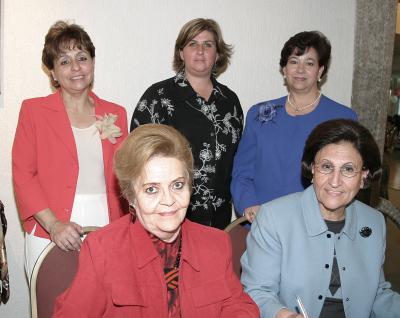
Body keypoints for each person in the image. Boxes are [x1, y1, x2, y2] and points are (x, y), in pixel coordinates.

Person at [53, 124, 259, 317]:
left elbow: (239, 306)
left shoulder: (215, 243)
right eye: (151, 189)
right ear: (131, 196)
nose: (168, 201)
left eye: (177, 185)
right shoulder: (103, 250)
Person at [241, 119, 400, 318]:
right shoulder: (273, 218)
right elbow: (257, 292)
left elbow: (376, 294)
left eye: (348, 169)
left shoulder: (374, 222)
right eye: (326, 167)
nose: (335, 181)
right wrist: (285, 315)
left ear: (364, 177)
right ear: (313, 169)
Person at [12, 21, 128, 278]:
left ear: (93, 63)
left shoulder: (116, 113)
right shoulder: (33, 111)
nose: (76, 68)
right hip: (50, 228)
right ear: (52, 72)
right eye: (64, 61)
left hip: (106, 227)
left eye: (82, 58)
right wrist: (54, 225)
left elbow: (126, 176)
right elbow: (23, 176)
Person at [231, 31, 357, 223]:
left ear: (320, 71)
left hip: (315, 224)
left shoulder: (343, 118)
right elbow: (242, 172)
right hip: (261, 221)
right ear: (284, 69)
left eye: (309, 63)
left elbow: (347, 178)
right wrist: (248, 204)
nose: (300, 70)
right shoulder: (259, 113)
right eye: (293, 61)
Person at [131, 18, 243, 229]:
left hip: (218, 220)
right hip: (168, 215)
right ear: (181, 53)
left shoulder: (231, 102)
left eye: (208, 44)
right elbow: (137, 160)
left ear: (217, 54)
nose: (200, 50)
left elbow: (236, 160)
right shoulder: (157, 97)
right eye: (192, 44)